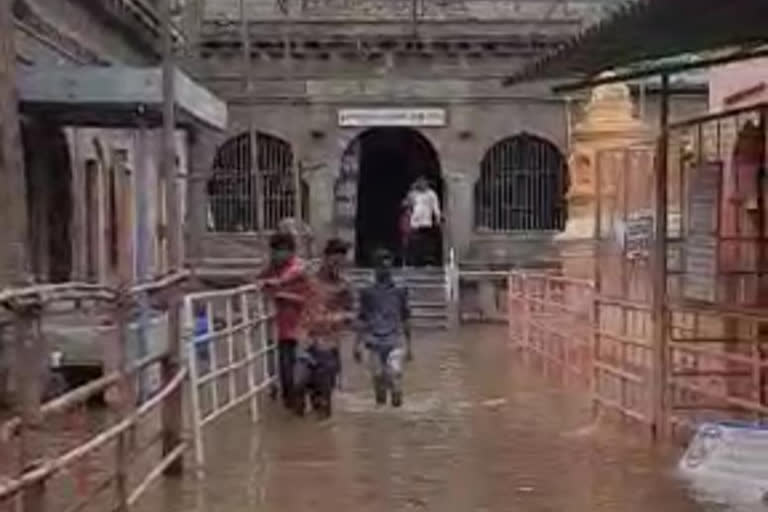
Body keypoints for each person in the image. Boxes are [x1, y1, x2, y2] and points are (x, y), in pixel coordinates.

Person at [257, 232, 312, 414]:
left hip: (303, 329)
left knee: (298, 376)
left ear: (290, 252)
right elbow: (257, 280)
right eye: (274, 251)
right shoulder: (272, 268)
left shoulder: (299, 268)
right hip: (283, 331)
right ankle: (292, 417)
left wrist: (279, 291)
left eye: (280, 251)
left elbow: (307, 296)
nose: (276, 255)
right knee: (286, 376)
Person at [300, 238, 355, 419]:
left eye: (340, 262)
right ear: (325, 258)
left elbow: (351, 314)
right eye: (334, 261)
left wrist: (341, 318)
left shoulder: (344, 286)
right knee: (297, 384)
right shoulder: (307, 280)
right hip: (304, 341)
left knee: (324, 398)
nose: (336, 266)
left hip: (328, 345)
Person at [354, 248, 412, 407]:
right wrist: (356, 344)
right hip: (373, 340)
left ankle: (397, 408)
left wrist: (410, 345)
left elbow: (406, 317)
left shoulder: (400, 291)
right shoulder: (367, 291)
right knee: (378, 377)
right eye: (381, 266)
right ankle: (381, 414)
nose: (384, 269)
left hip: (395, 338)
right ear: (375, 268)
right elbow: (362, 317)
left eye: (387, 266)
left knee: (394, 373)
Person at [406, 176, 442, 267]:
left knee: (426, 242)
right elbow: (408, 205)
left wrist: (438, 217)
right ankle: (415, 261)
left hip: (426, 221)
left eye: (424, 183)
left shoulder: (431, 194)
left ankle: (427, 260)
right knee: (415, 242)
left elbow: (435, 207)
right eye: (420, 183)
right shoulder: (414, 194)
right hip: (415, 221)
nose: (422, 185)